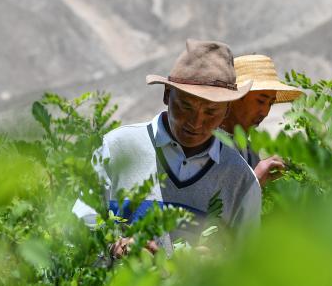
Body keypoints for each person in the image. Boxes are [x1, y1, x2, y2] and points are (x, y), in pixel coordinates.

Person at [75, 39, 262, 259]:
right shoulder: (118, 148)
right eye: (185, 106)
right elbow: (78, 223)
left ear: (227, 110)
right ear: (166, 95)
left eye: (211, 112)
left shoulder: (240, 178)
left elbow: (248, 264)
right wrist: (115, 246)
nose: (195, 121)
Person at [221, 54, 303, 186]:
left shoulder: (250, 151)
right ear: (235, 97)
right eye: (260, 101)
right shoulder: (206, 146)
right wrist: (255, 180)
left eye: (270, 103)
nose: (265, 112)